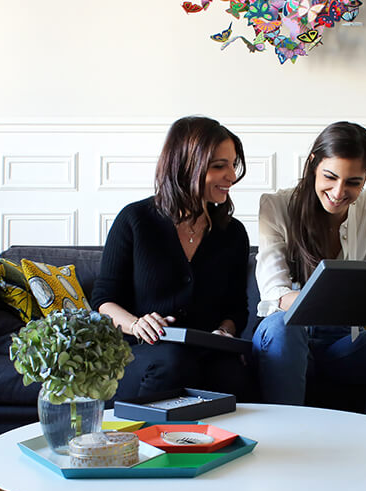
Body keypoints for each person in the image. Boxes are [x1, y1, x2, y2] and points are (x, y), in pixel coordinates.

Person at [253, 121, 366, 424]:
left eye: (353, 182)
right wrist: (324, 301)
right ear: (313, 163)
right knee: (282, 327)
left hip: (345, 345)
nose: (339, 192)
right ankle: (288, 439)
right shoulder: (276, 205)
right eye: (330, 176)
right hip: (288, 338)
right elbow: (274, 292)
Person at [92, 116, 252, 403]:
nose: (232, 175)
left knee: (230, 373)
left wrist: (224, 332)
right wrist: (136, 323)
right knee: (172, 361)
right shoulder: (134, 220)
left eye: (232, 164)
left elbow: (237, 309)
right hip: (143, 350)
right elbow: (104, 300)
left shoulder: (233, 233)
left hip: (205, 350)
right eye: (219, 166)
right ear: (185, 166)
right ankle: (143, 445)